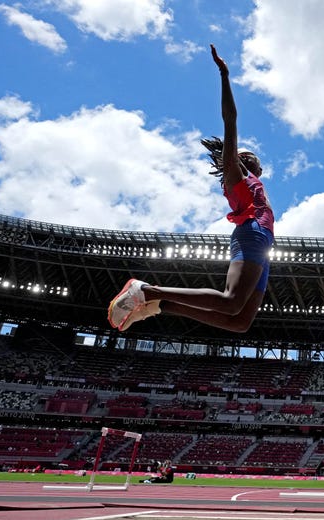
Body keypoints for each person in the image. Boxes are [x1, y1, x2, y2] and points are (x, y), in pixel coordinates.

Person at [107, 44, 275, 334]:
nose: (261, 167)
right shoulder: (237, 174)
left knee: (240, 321)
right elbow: (230, 120)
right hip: (252, 232)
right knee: (231, 302)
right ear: (243, 160)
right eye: (257, 161)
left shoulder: (251, 182)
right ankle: (147, 290)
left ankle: (159, 305)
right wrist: (225, 76)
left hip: (262, 242)